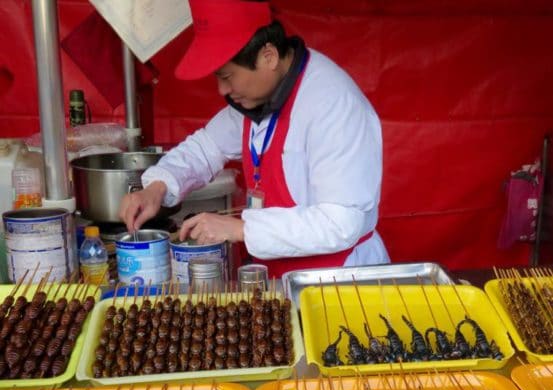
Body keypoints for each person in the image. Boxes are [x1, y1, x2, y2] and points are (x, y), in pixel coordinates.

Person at [119, 0, 390, 277]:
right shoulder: (256, 98)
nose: (222, 89)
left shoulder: (333, 104)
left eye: (227, 76)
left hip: (338, 280)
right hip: (279, 276)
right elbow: (206, 147)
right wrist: (157, 186)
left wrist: (241, 229)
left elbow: (340, 222)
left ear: (268, 57)